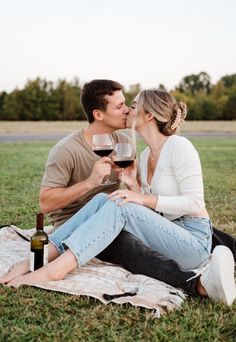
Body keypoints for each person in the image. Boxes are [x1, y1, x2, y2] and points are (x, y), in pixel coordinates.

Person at [1, 85, 235, 306]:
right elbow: (155, 211)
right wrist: (135, 187)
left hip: (193, 242)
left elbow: (195, 202)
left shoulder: (179, 147)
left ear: (149, 116)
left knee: (120, 203)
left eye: (133, 106)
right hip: (169, 233)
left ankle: (55, 270)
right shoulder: (145, 155)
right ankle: (33, 261)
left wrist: (141, 198)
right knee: (103, 199)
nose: (127, 110)